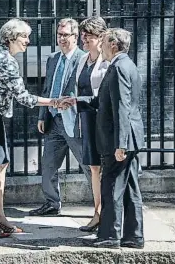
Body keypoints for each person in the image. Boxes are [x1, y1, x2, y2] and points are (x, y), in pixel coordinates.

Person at [0, 18, 65, 238]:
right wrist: (54, 102)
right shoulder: (6, 60)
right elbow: (23, 97)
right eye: (24, 36)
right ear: (11, 36)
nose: (28, 41)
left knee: (1, 163)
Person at [62, 28, 145, 249]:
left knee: (112, 187)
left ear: (114, 45)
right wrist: (76, 101)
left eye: (104, 41)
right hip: (130, 138)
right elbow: (103, 101)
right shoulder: (126, 65)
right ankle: (134, 237)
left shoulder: (118, 68)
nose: (101, 45)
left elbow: (122, 108)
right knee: (130, 189)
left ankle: (110, 236)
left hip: (118, 141)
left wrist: (121, 144)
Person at [28, 18, 92, 216]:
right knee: (48, 165)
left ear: (75, 37)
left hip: (74, 121)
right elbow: (47, 89)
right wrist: (42, 115)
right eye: (59, 35)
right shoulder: (53, 59)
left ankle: (102, 204)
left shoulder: (84, 58)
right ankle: (51, 203)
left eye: (66, 35)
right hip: (53, 120)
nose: (62, 39)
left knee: (89, 165)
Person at [75, 16, 109, 232]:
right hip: (87, 119)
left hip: (102, 120)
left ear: (101, 37)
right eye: (83, 35)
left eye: (89, 35)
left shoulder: (107, 62)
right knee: (94, 167)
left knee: (106, 168)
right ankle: (97, 212)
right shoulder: (82, 59)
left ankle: (107, 212)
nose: (84, 39)